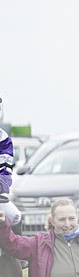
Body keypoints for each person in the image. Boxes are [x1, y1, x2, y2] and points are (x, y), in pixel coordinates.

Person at [0, 97, 22, 227]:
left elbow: (5, 169)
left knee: (15, 217)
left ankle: (15, 248)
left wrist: (1, 184)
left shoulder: (3, 139)